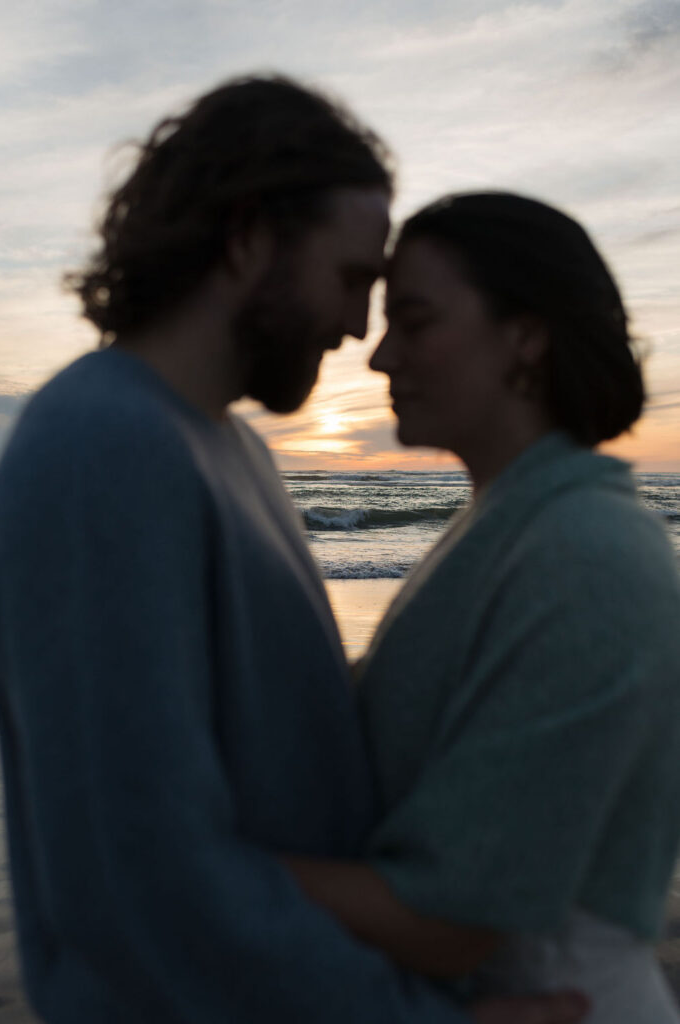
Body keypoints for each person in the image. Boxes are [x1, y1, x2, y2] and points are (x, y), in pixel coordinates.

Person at [0, 82, 587, 1024]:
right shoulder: (95, 445)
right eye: (352, 278)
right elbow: (141, 881)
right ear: (247, 238)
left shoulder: (237, 454)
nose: (358, 328)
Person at [284, 192, 680, 1022]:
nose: (381, 356)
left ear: (525, 335)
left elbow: (453, 918)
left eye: (416, 321)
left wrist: (190, 861)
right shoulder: (510, 526)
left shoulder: (586, 554)